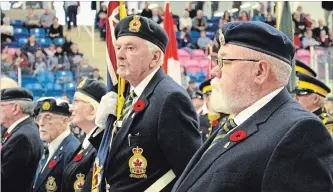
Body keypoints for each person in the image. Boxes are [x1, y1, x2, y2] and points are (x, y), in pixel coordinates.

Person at [172, 21, 333, 192]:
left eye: (224, 61)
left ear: (260, 71)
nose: (214, 71)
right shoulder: (238, 120)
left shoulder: (299, 132)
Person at [90, 15, 202, 191]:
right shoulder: (131, 95)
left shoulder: (169, 99)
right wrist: (102, 129)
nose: (119, 55)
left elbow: (191, 174)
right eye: (119, 47)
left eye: (131, 48)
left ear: (155, 57)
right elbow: (118, 159)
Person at [61, 79, 107, 192]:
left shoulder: (100, 147)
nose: (71, 107)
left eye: (76, 101)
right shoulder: (87, 143)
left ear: (92, 109)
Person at [1, 87, 44, 192]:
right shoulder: (25, 129)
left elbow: (4, 180)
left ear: (16, 108)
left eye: (1, 106)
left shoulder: (21, 137)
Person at [33, 98, 80, 192]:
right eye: (39, 118)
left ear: (64, 121)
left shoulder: (72, 150)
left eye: (48, 118)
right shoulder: (52, 146)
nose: (41, 123)